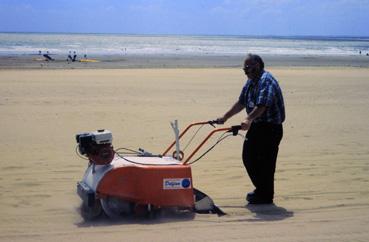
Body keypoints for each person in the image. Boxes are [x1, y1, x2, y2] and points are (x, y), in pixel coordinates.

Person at [216, 54, 285, 204]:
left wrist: (248, 119)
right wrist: (225, 117)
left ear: (258, 66)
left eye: (248, 67)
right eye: (244, 68)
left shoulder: (266, 81)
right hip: (257, 126)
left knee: (266, 163)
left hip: (271, 128)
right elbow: (241, 102)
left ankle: (265, 195)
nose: (246, 71)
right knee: (249, 158)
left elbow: (263, 105)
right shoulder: (251, 82)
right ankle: (262, 190)